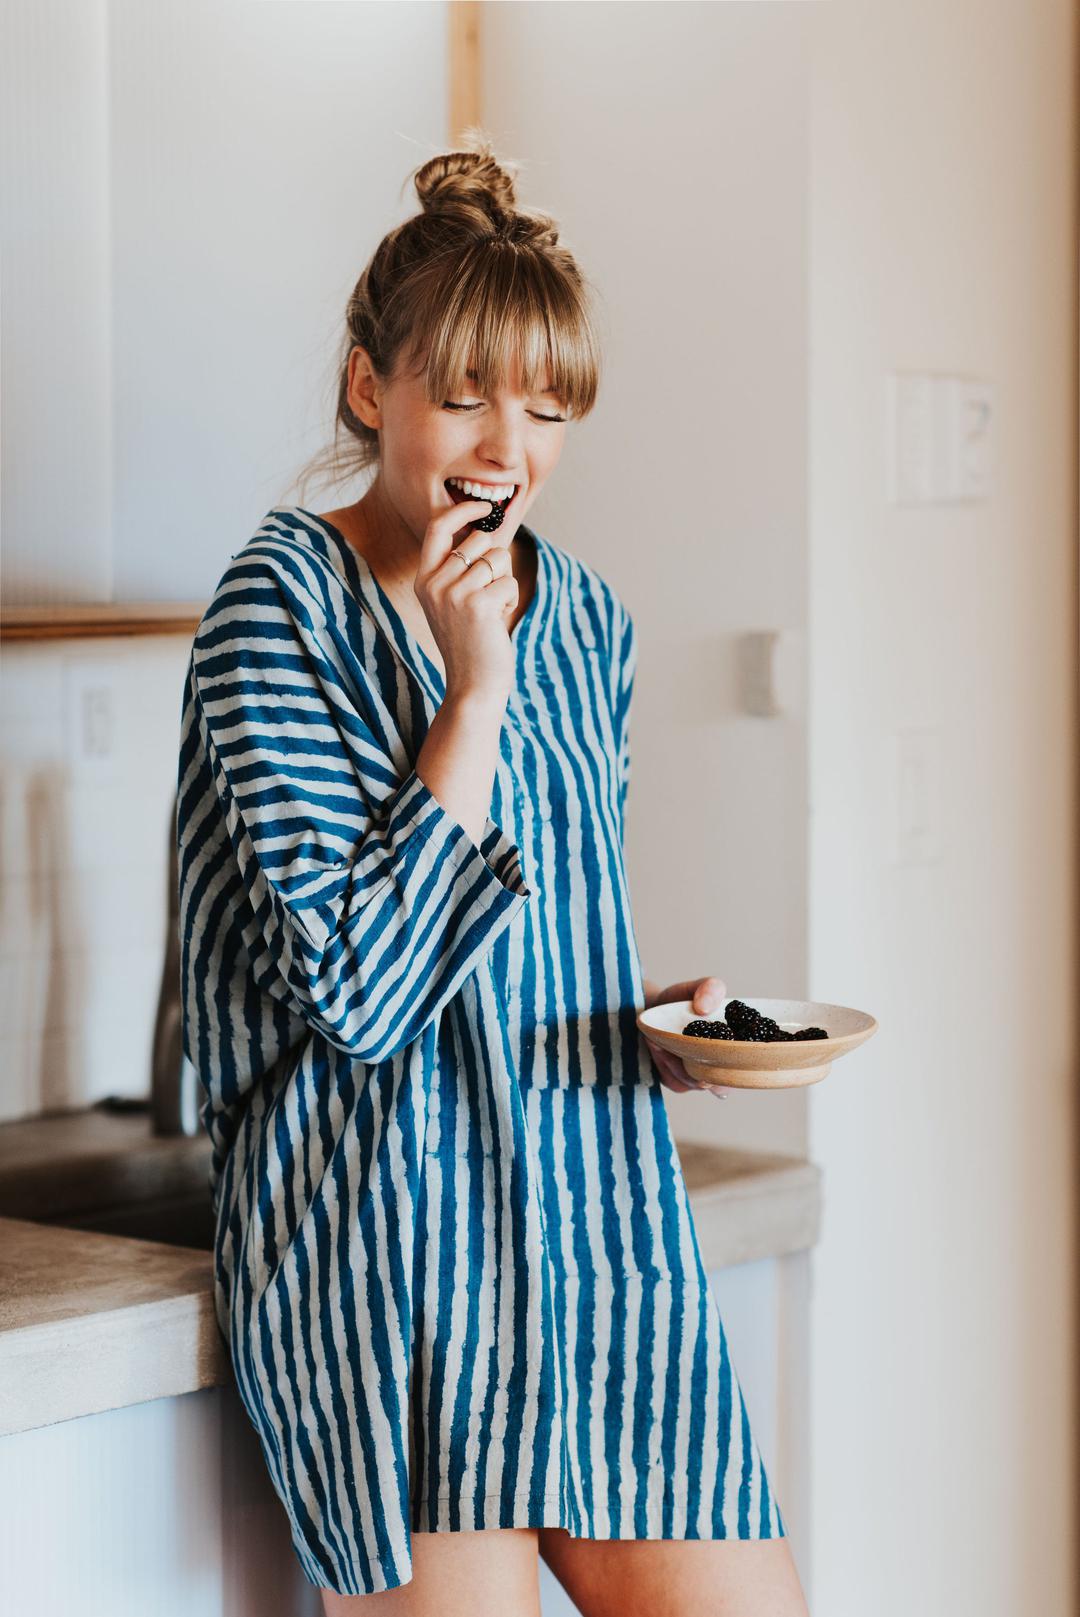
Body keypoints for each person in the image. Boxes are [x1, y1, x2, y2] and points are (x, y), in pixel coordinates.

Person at [176, 133, 810, 1616]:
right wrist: (471, 696)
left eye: (543, 406)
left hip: (603, 1237)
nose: (501, 448)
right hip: (395, 1257)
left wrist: (652, 1017)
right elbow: (361, 987)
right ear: (365, 386)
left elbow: (534, 939)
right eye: (460, 393)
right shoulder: (276, 610)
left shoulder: (585, 618)